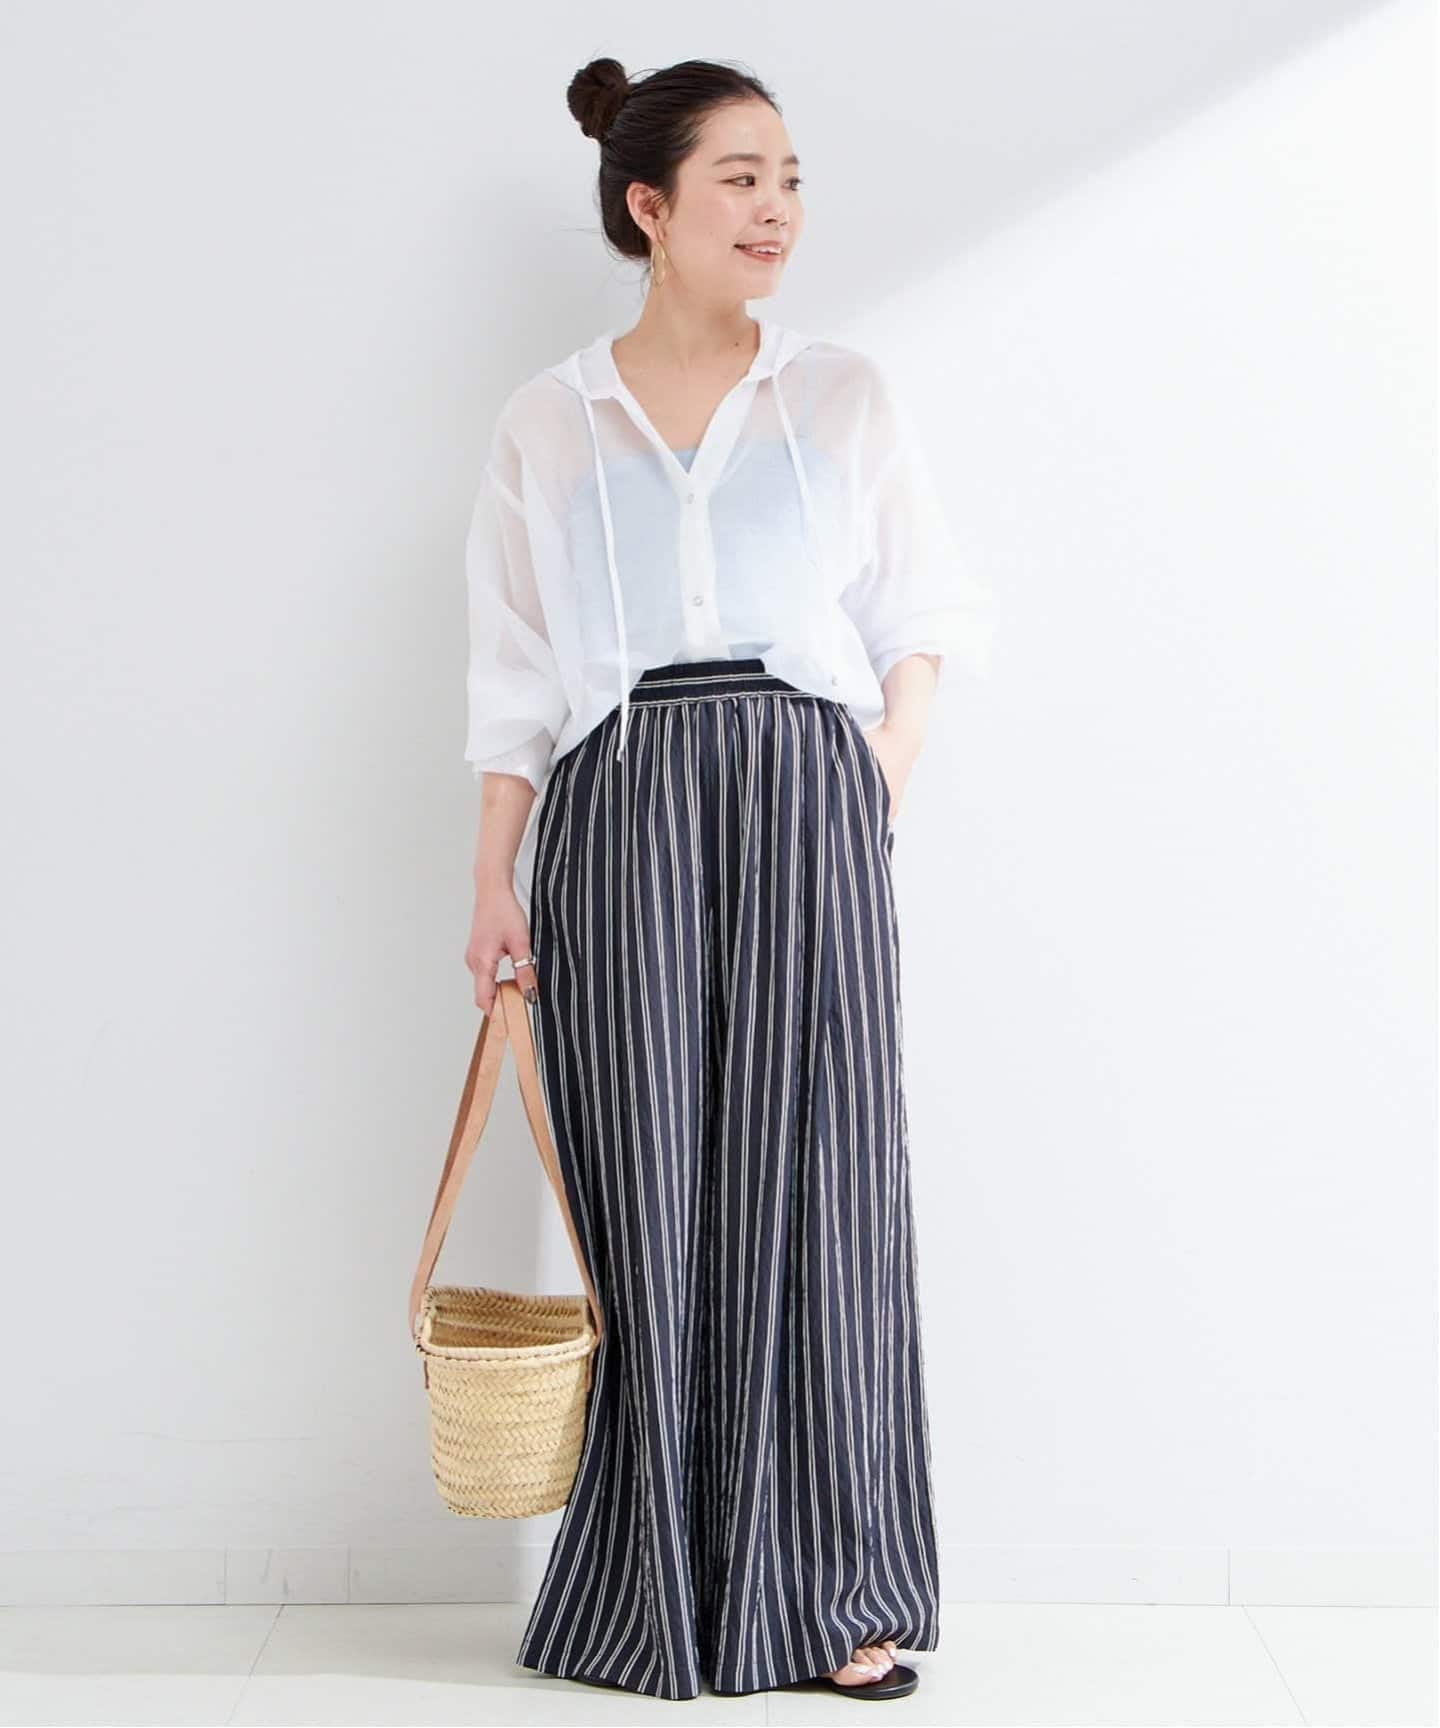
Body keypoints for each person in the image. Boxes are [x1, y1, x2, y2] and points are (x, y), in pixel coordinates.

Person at [462, 55, 993, 1703]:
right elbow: (514, 674)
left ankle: (833, 1595)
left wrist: (877, 767)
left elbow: (920, 613)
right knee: (646, 1194)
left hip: (805, 796)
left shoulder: (840, 395)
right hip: (619, 808)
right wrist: (492, 882)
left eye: (790, 179)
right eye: (741, 180)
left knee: (825, 1192)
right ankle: (662, 1599)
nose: (778, 210)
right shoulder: (551, 421)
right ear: (650, 206)